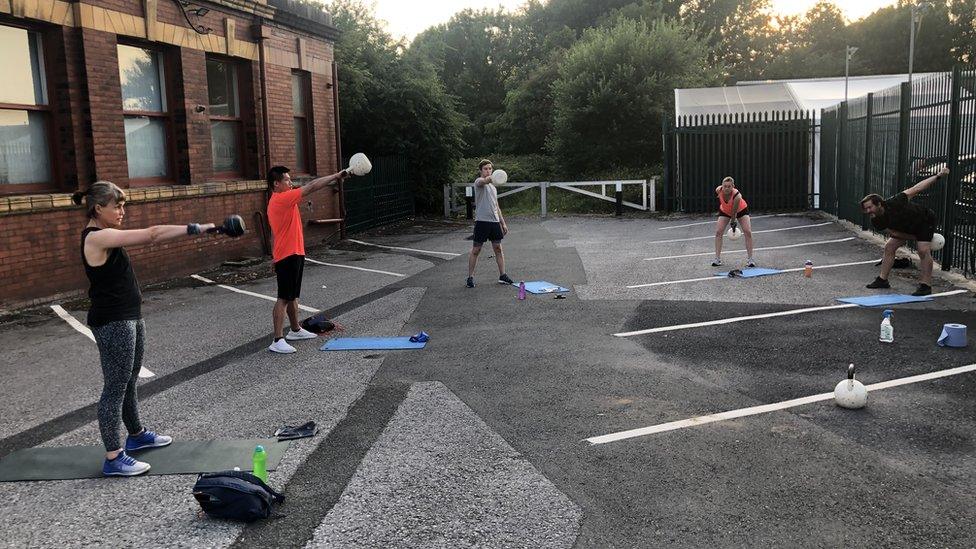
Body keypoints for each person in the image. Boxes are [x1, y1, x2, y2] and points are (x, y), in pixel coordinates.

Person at [73, 181, 237, 476]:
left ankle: (136, 436)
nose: (123, 211)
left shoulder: (107, 235)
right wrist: (200, 228)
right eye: (117, 206)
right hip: (113, 321)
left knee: (130, 379)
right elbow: (152, 234)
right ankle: (113, 457)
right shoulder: (96, 238)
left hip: (129, 316)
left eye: (124, 205)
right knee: (115, 387)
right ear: (98, 209)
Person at [266, 165, 349, 353]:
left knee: (292, 295)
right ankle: (277, 340)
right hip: (287, 255)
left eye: (290, 178)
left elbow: (273, 233)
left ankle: (295, 330)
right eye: (286, 180)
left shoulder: (278, 200)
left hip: (292, 253)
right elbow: (312, 186)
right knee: (283, 298)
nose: (290, 182)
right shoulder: (282, 199)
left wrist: (273, 256)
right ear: (276, 184)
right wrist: (336, 175)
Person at [860, 167, 949, 296]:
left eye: (870, 207)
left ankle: (926, 285)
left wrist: (938, 176)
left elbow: (917, 188)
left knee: (923, 250)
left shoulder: (895, 202)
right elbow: (895, 233)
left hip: (924, 220)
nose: (868, 211)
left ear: (879, 204)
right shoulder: (876, 220)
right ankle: (882, 280)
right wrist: (914, 237)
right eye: (865, 209)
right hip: (905, 229)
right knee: (889, 247)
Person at [466, 159, 513, 288]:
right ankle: (470, 278)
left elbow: (497, 206)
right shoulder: (479, 182)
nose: (488, 171)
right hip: (482, 221)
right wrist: (493, 177)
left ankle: (502, 275)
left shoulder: (493, 187)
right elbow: (484, 180)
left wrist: (503, 223)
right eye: (485, 169)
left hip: (494, 222)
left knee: (498, 249)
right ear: (481, 170)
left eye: (490, 168)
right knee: (476, 249)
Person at [712, 176, 755, 267]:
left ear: (733, 186)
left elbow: (734, 211)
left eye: (729, 186)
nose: (727, 188)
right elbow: (728, 209)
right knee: (718, 232)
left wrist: (733, 222)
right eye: (725, 186)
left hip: (741, 211)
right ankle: (717, 259)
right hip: (725, 211)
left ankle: (750, 259)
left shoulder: (737, 196)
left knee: (748, 232)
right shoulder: (718, 190)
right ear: (722, 186)